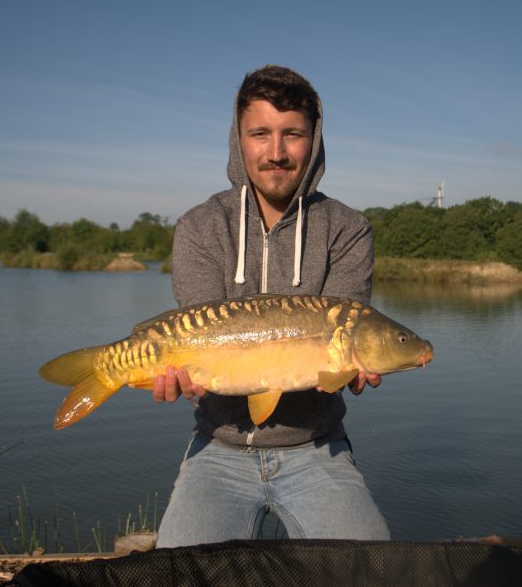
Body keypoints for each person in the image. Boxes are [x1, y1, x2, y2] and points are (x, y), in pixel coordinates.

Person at [153, 64, 390, 547]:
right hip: (218, 447)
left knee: (370, 570)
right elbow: (198, 338)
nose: (276, 152)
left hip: (317, 448)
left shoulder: (347, 229)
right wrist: (179, 376)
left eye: (292, 135)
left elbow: (345, 339)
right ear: (237, 139)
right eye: (260, 133)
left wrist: (352, 368)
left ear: (314, 140)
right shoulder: (201, 226)